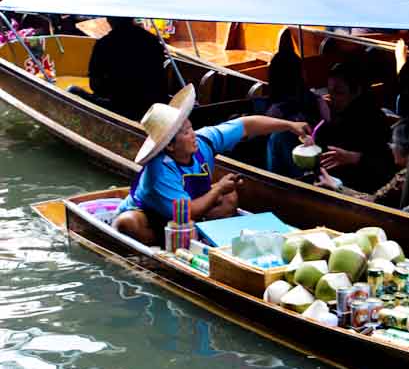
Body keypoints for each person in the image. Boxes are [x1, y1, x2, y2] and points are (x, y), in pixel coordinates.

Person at [113, 85, 311, 245]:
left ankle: (199, 235)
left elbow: (246, 125)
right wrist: (217, 190)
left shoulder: (203, 141)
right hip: (154, 217)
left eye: (191, 128)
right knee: (128, 224)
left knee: (229, 198)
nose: (193, 135)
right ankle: (164, 246)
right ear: (170, 146)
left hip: (188, 213)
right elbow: (187, 211)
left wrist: (288, 125)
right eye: (185, 133)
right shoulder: (160, 171)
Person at [317, 119, 409, 208]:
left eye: (393, 143)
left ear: (407, 149)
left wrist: (336, 186)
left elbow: (370, 202)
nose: (391, 147)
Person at [312, 60, 394, 192]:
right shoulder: (330, 115)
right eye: (330, 91)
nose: (332, 98)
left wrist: (354, 158)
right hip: (328, 185)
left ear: (356, 91)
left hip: (360, 193)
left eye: (339, 93)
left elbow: (384, 166)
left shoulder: (374, 120)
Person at [84, 16, 168, 120]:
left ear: (109, 21)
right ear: (132, 18)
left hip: (119, 109)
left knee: (74, 90)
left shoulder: (103, 44)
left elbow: (95, 85)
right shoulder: (152, 40)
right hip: (153, 108)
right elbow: (161, 78)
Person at [265, 36, 323, 177]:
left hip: (286, 178)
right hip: (315, 170)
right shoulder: (317, 101)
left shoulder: (273, 113)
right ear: (301, 75)